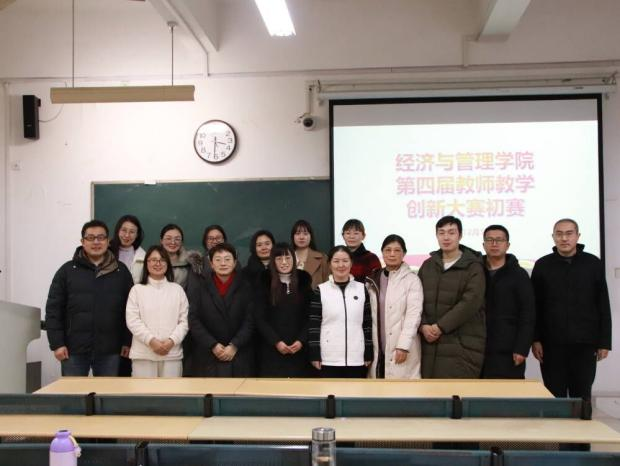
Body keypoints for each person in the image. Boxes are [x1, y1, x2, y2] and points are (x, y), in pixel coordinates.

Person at [531, 218, 612, 399]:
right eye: (559, 234)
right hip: (551, 344)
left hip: (585, 343)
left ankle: (583, 419)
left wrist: (604, 342)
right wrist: (535, 339)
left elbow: (602, 304)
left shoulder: (593, 264)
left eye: (569, 233)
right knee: (554, 395)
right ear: (553, 237)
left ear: (578, 236)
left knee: (582, 395)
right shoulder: (542, 265)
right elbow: (535, 306)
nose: (564, 238)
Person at [45, 220, 134, 376]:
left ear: (107, 241)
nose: (96, 242)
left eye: (101, 237)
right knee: (74, 391)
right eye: (91, 238)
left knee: (108, 391)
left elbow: (131, 310)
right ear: (82, 241)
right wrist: (57, 344)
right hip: (73, 349)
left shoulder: (121, 271)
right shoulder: (67, 271)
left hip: (111, 349)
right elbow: (54, 310)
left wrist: (127, 341)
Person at [417, 216, 486, 379]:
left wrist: (440, 327)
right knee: (430, 393)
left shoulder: (473, 266)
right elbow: (416, 300)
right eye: (441, 233)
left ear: (460, 235)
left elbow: (470, 302)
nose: (446, 237)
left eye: (451, 232)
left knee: (456, 392)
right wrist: (423, 325)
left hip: (461, 345)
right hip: (429, 344)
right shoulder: (428, 265)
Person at [187, 243, 255, 377]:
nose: (223, 263)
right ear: (211, 264)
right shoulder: (200, 288)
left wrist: (234, 345)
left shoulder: (246, 287)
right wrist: (213, 345)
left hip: (238, 353)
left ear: (235, 263)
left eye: (227, 259)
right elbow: (194, 320)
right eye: (218, 260)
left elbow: (250, 320)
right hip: (208, 353)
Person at [309, 245, 373, 378]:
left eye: (345, 261)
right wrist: (315, 353)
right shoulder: (321, 290)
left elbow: (367, 324)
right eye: (336, 261)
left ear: (351, 263)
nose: (341, 265)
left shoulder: (362, 289)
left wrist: (368, 352)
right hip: (328, 358)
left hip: (357, 358)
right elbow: (314, 325)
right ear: (329, 264)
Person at [481, 225, 535, 379]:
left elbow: (528, 313)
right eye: (490, 240)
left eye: (499, 240)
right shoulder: (476, 272)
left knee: (508, 392)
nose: (494, 244)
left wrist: (522, 348)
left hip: (509, 350)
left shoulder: (519, 274)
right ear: (483, 245)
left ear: (507, 245)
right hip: (478, 348)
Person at [125, 245, 189, 377]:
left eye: (162, 260)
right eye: (153, 260)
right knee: (144, 390)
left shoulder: (177, 290)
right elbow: (133, 321)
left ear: (168, 264)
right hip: (143, 354)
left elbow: (185, 321)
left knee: (171, 390)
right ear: (146, 263)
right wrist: (151, 341)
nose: (158, 264)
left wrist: (171, 341)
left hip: (172, 354)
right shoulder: (137, 290)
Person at [366, 235, 423, 379]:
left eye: (397, 250)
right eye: (388, 250)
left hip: (402, 346)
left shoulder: (412, 280)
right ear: (382, 252)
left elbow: (413, 315)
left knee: (400, 388)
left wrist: (403, 345)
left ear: (404, 254)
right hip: (377, 346)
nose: (392, 254)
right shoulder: (373, 279)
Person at [255, 242, 313, 377]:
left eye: (288, 258)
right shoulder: (264, 282)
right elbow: (259, 318)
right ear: (273, 261)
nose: (284, 262)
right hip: (271, 349)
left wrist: (301, 341)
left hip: (299, 349)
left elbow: (310, 316)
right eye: (279, 258)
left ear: (294, 259)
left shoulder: (303, 282)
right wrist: (276, 342)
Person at [291, 219, 329, 290]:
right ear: (293, 237)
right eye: (298, 233)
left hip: (316, 297)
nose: (301, 237)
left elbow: (328, 284)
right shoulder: (286, 258)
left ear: (311, 237)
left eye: (305, 234)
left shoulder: (322, 258)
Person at [109, 214, 146, 284]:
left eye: (132, 232)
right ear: (118, 231)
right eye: (124, 230)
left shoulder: (143, 256)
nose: (127, 235)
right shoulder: (107, 251)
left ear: (137, 235)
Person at [160, 223, 192, 288]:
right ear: (161, 241)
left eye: (177, 239)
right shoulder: (152, 262)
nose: (173, 242)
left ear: (182, 242)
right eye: (168, 238)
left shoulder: (191, 264)